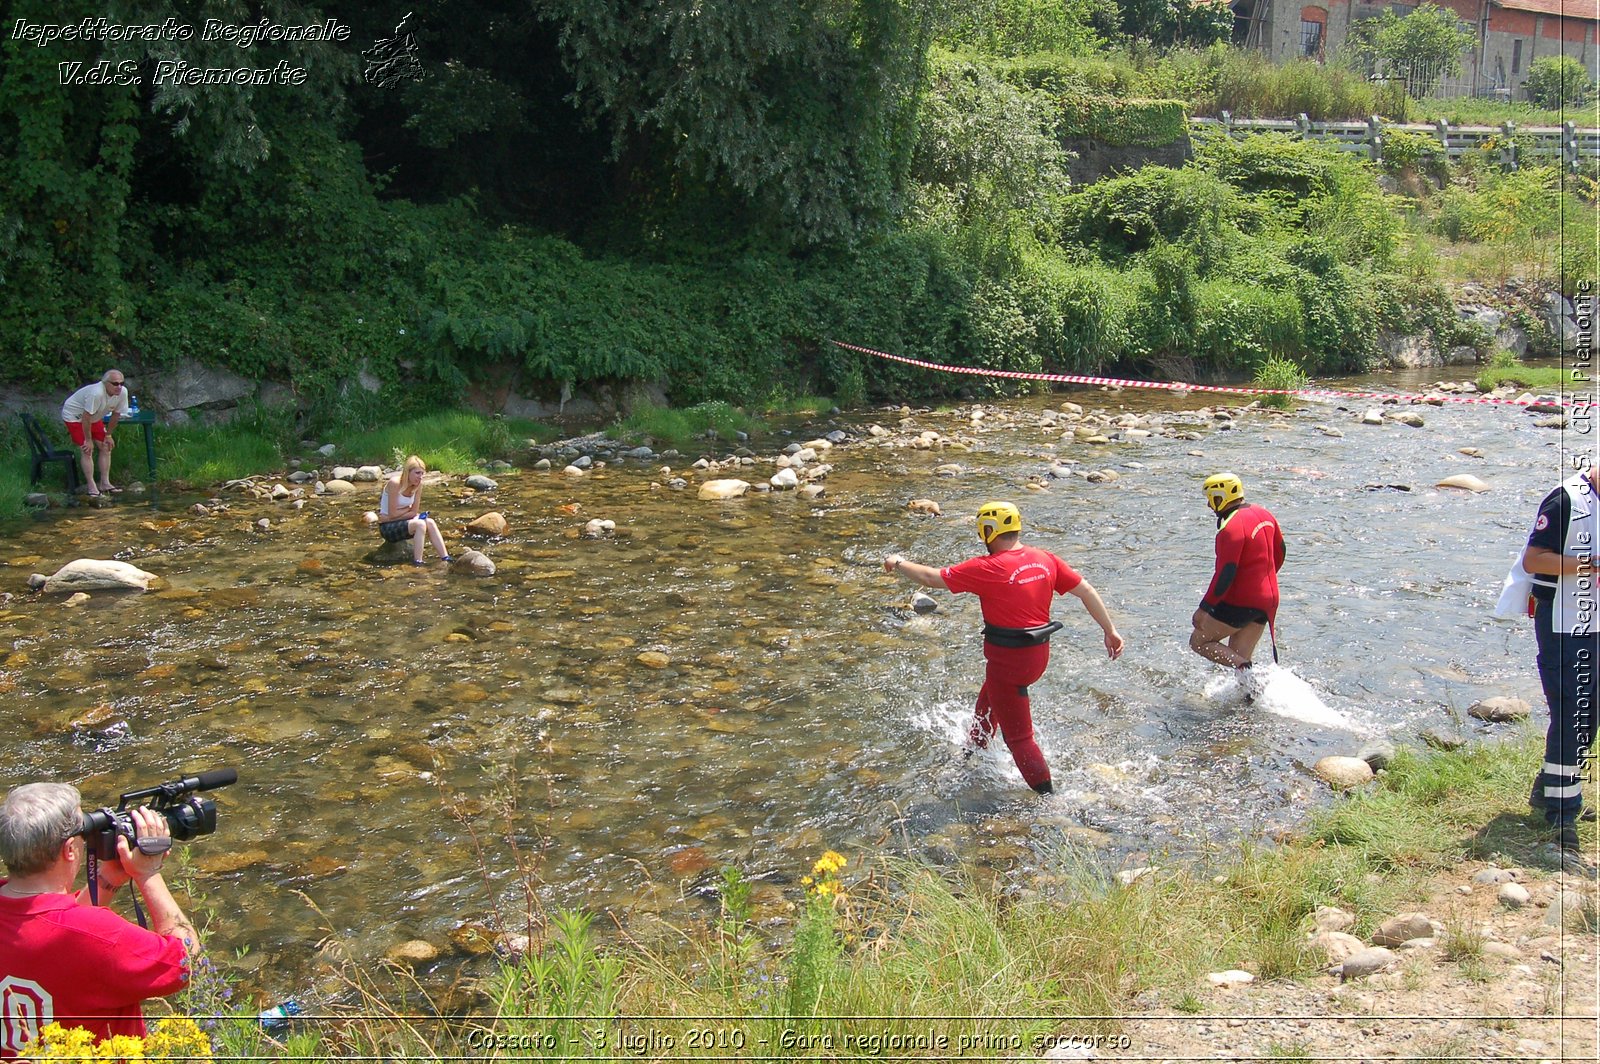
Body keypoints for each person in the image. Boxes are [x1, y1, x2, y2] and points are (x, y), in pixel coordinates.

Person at [883, 501, 1124, 794]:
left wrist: (897, 562)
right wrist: (1109, 630)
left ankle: (1049, 798)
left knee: (1020, 738)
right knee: (991, 695)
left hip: (1009, 660)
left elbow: (930, 578)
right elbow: (1086, 590)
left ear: (988, 530)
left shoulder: (988, 567)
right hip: (1037, 655)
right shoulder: (1044, 558)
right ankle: (973, 751)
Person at [0, 782, 199, 1057]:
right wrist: (148, 874)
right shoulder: (98, 934)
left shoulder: (74, 931)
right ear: (70, 849)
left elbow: (54, 931)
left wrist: (106, 881)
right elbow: (185, 962)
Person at [1518, 461, 1598, 853]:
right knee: (1572, 711)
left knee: (1590, 712)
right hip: (1564, 622)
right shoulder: (1566, 499)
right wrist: (1589, 565)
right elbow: (1534, 560)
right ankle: (1561, 812)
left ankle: (1550, 787)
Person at [1189, 473, 1285, 698]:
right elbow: (1281, 551)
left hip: (1241, 600)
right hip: (1268, 599)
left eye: (1211, 497)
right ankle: (1251, 701)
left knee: (1199, 641)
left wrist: (1204, 608)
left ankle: (1248, 671)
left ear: (1221, 496)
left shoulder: (1230, 529)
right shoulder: (1265, 514)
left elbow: (1225, 573)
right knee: (1239, 658)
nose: (1209, 504)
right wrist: (1263, 578)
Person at [59, 370, 130, 497]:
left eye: (121, 383)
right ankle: (91, 486)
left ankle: (105, 483)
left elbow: (116, 415)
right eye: (115, 383)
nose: (119, 386)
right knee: (87, 449)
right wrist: (88, 439)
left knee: (106, 446)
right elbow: (86, 418)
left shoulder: (122, 392)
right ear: (105, 383)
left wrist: (108, 435)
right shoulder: (96, 393)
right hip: (75, 416)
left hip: (94, 416)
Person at [378, 455, 452, 565]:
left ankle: (445, 558)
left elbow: (413, 512)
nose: (420, 477)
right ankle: (418, 562)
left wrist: (406, 512)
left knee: (430, 522)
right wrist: (407, 510)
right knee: (420, 525)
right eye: (417, 473)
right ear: (408, 472)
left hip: (396, 521)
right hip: (387, 527)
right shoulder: (395, 483)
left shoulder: (418, 486)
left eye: (422, 473)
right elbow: (393, 514)